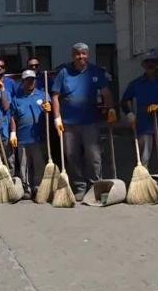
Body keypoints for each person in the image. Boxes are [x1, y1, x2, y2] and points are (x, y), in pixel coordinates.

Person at [50, 43, 116, 199]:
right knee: (72, 156)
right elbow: (55, 96)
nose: (81, 57)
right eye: (78, 54)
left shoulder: (96, 71)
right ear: (73, 56)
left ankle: (95, 186)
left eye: (84, 53)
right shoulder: (64, 72)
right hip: (69, 123)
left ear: (88, 55)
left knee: (93, 156)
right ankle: (79, 186)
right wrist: (57, 117)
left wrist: (111, 109)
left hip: (90, 122)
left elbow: (106, 92)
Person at [121, 49, 158, 174]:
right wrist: (130, 114)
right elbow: (125, 100)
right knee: (144, 158)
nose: (150, 64)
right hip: (144, 125)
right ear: (143, 64)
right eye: (147, 62)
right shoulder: (136, 84)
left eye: (153, 61)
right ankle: (145, 183)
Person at [11, 70, 51, 198]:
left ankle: (38, 187)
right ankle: (26, 188)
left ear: (35, 80)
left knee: (39, 164)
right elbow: (13, 117)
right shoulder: (17, 99)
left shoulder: (43, 95)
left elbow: (51, 111)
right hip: (23, 138)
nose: (30, 82)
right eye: (27, 80)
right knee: (24, 165)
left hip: (38, 137)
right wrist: (13, 133)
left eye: (32, 79)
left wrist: (48, 110)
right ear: (23, 82)